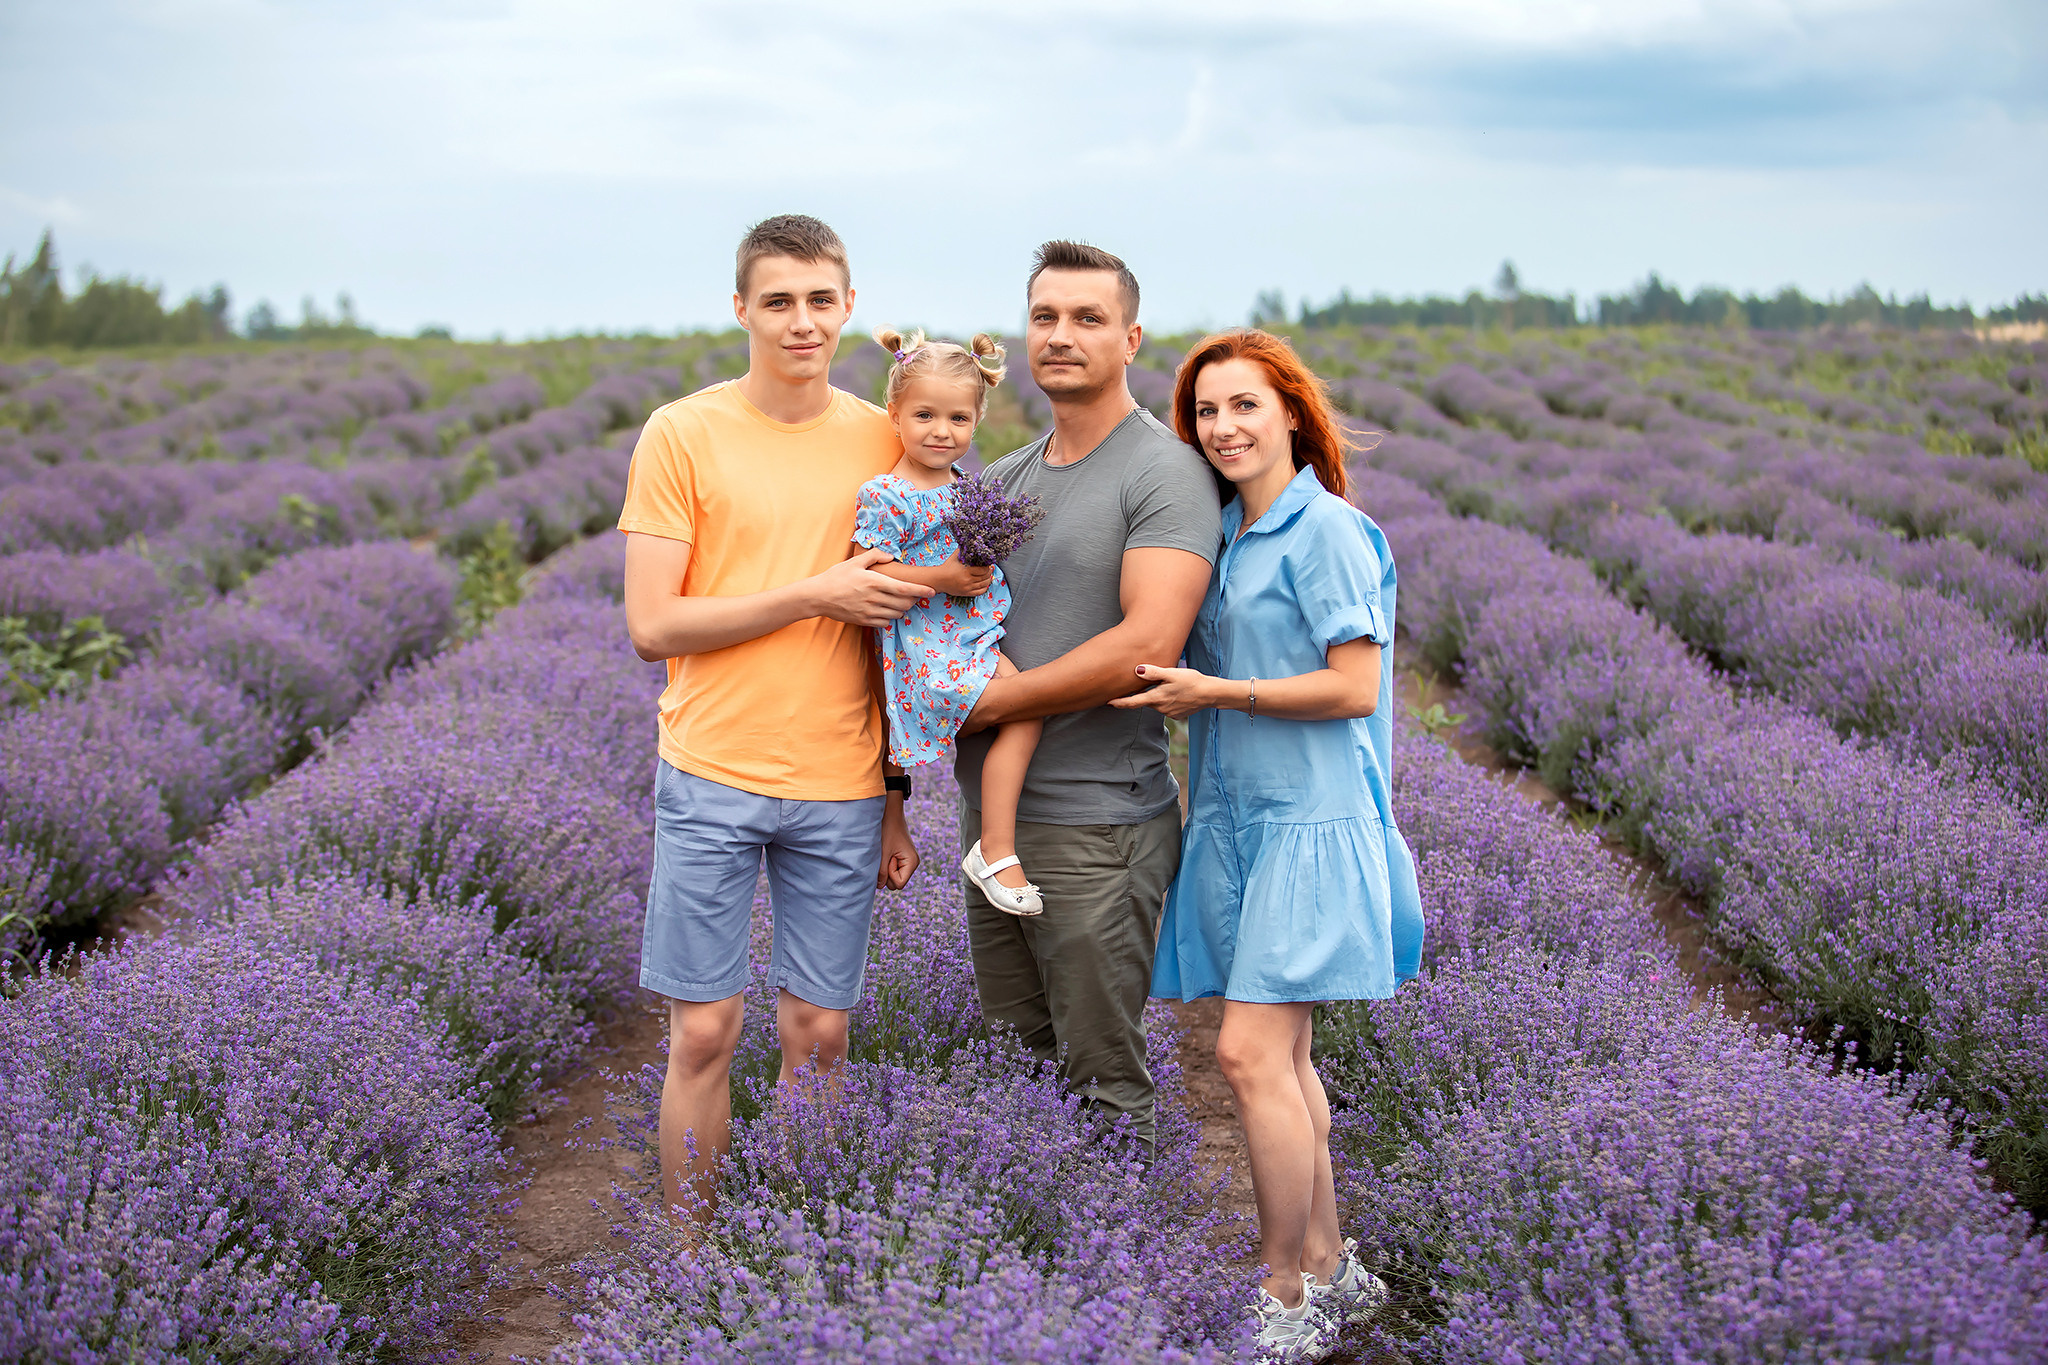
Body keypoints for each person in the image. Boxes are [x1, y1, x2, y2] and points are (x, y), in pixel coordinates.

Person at [617, 214, 989, 1226]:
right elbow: (653, 623)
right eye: (776, 301)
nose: (799, 321)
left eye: (819, 300)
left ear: (849, 308)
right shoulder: (682, 433)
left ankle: (793, 1252)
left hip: (840, 783)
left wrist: (896, 800)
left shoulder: (889, 434)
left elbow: (921, 638)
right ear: (740, 309)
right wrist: (811, 594)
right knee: (701, 1034)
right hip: (711, 772)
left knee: (819, 1035)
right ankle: (692, 1266)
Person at [1111, 327, 1424, 1360]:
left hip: (1311, 820)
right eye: (1205, 411)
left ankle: (1284, 1292)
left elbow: (1350, 685)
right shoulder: (1229, 533)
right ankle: (1337, 1266)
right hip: (1241, 817)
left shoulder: (1324, 530)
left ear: (1289, 410)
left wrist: (1218, 690)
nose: (1224, 426)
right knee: (1282, 1059)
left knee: (1248, 1057)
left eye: (1244, 405)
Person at [960, 241, 1222, 1147]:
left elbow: (1148, 644)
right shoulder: (999, 482)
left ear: (1131, 337)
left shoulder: (1164, 471)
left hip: (1097, 826)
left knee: (1102, 1077)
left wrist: (996, 704)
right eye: (1045, 317)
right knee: (1016, 1064)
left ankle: (1133, 1268)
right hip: (992, 828)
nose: (1061, 335)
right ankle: (1047, 1278)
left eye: (1087, 318)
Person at [852, 327, 1047, 916]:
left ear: (979, 417)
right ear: (895, 413)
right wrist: (945, 577)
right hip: (927, 647)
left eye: (959, 419)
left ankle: (994, 847)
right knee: (1028, 707)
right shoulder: (887, 493)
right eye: (926, 415)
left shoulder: (968, 488)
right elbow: (868, 570)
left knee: (1029, 707)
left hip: (972, 635)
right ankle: (996, 848)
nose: (942, 431)